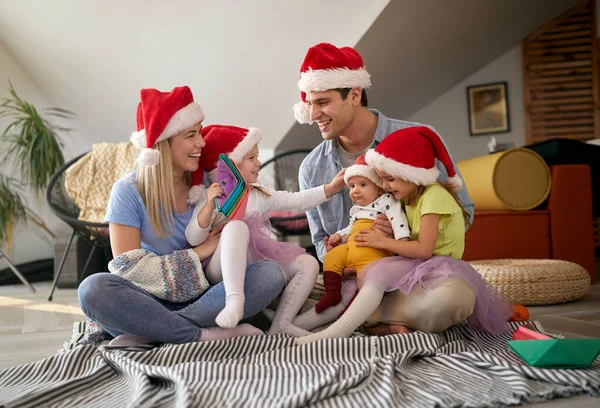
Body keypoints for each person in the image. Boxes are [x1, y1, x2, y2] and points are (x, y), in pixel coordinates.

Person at [77, 86, 287, 347]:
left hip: (205, 296)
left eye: (200, 132)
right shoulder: (128, 191)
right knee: (93, 289)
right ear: (163, 144)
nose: (201, 142)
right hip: (148, 298)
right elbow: (129, 270)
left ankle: (152, 333)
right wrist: (197, 252)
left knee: (270, 274)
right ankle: (201, 335)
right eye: (191, 135)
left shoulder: (207, 187)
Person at [293, 42, 477, 336]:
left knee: (454, 298)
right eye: (309, 103)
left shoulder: (415, 139)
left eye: (323, 102)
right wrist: (340, 253)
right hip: (349, 276)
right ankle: (380, 317)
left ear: (354, 94)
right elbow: (318, 242)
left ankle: (361, 317)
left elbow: (463, 212)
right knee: (285, 286)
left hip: (414, 275)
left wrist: (399, 237)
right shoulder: (312, 168)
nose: (313, 113)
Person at [296, 127, 512, 344]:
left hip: (433, 269)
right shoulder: (403, 197)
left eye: (389, 179)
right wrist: (345, 242)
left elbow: (424, 250)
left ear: (410, 173)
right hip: (405, 268)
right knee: (314, 284)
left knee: (453, 298)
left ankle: (357, 322)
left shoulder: (433, 196)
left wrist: (382, 241)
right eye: (382, 180)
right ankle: (361, 317)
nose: (385, 186)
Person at [185, 124, 346, 336]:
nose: (259, 163)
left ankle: (281, 325)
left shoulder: (259, 194)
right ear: (229, 165)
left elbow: (296, 200)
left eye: (257, 157)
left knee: (308, 262)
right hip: (220, 270)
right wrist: (207, 207)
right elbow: (193, 237)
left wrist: (330, 188)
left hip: (256, 264)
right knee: (236, 227)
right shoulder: (213, 197)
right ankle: (234, 299)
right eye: (251, 158)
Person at [310, 154, 410, 314]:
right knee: (331, 257)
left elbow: (398, 220)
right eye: (351, 186)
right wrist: (339, 236)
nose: (355, 191)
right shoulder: (356, 209)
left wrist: (402, 240)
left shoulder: (386, 200)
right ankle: (332, 293)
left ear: (378, 187)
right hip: (352, 249)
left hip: (373, 253)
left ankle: (355, 310)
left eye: (362, 184)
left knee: (368, 280)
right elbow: (351, 228)